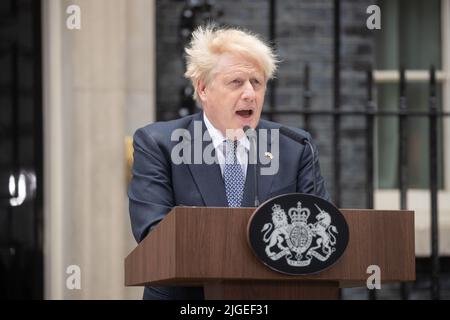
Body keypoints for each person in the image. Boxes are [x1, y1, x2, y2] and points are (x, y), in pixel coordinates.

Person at [128, 24, 330, 300]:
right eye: (236, 82)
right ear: (203, 89)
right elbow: (154, 234)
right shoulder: (159, 144)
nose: (249, 93)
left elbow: (321, 231)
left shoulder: (295, 148)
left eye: (256, 83)